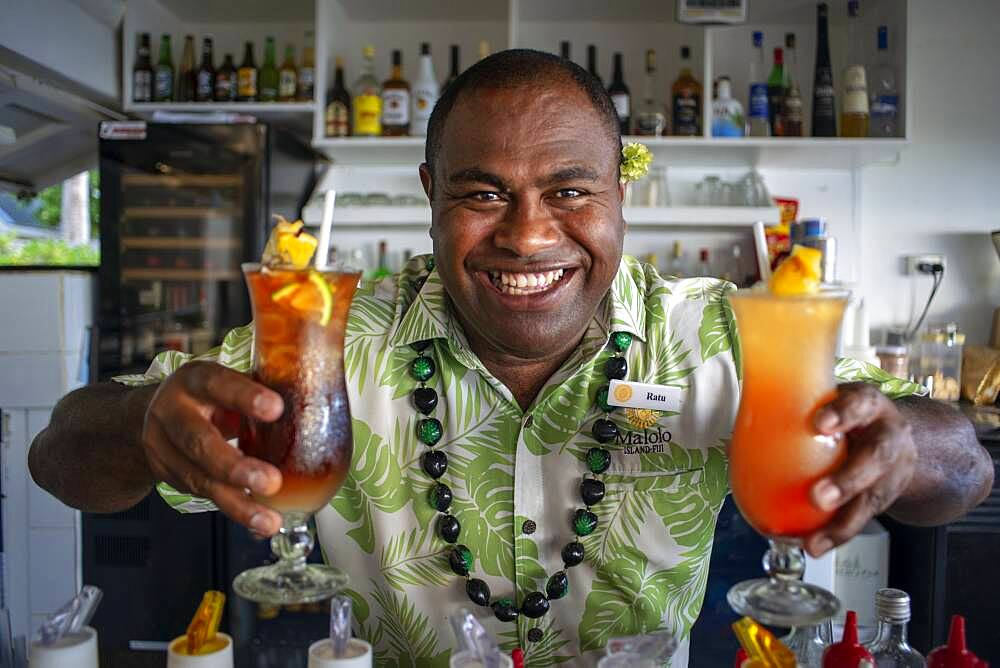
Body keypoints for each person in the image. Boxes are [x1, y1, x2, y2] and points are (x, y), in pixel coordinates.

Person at [29, 50, 992, 666]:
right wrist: (140, 428)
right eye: (482, 194)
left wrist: (908, 444)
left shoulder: (722, 333)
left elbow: (964, 469)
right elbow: (60, 456)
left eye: (570, 190)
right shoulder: (332, 341)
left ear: (624, 192)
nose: (529, 237)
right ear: (430, 195)